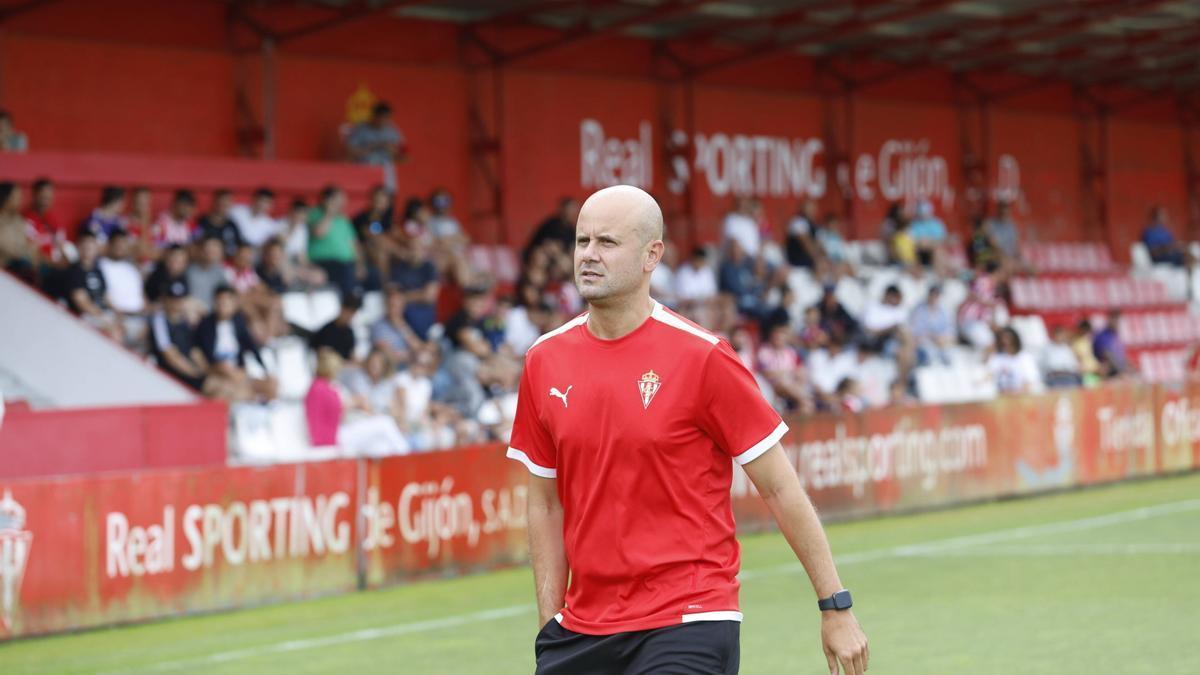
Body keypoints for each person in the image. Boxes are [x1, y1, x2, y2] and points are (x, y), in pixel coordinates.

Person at [510, 185, 868, 674]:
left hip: (690, 618)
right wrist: (548, 623)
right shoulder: (543, 361)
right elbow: (545, 503)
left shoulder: (703, 357)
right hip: (582, 631)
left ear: (651, 255)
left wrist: (835, 605)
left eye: (608, 243)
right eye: (582, 241)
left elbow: (781, 488)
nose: (589, 256)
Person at [306, 348, 410, 455]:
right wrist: (354, 403)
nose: (338, 370)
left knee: (381, 447)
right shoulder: (319, 387)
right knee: (384, 422)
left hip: (339, 431)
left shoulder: (327, 386)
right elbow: (331, 413)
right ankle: (408, 457)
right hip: (332, 437)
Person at [195, 286, 277, 402]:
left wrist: (265, 370)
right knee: (237, 392)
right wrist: (226, 370)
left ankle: (268, 414)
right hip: (218, 373)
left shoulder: (238, 322)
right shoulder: (206, 325)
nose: (223, 305)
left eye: (227, 301)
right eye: (220, 301)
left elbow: (251, 346)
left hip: (238, 372)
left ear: (234, 303)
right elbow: (206, 355)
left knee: (272, 384)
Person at [61, 231, 123, 341]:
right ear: (79, 247)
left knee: (126, 327)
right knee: (113, 332)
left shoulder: (98, 271)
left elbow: (106, 296)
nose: (88, 249)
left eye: (91, 245)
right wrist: (103, 317)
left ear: (96, 249)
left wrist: (117, 314)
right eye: (85, 245)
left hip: (103, 312)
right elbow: (82, 303)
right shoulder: (74, 271)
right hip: (85, 316)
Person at [148, 281, 207, 392]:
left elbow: (194, 350)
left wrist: (204, 371)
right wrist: (195, 374)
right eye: (173, 299)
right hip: (170, 375)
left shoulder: (185, 320)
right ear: (165, 299)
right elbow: (171, 356)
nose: (176, 303)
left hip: (189, 369)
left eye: (180, 299)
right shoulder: (160, 320)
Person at [308, 185, 363, 298]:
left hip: (346, 263)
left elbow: (354, 244)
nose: (342, 203)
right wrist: (329, 213)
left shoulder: (344, 220)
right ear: (327, 200)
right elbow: (319, 233)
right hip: (323, 262)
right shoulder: (314, 214)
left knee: (373, 275)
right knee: (345, 271)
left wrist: (360, 264)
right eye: (339, 200)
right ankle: (348, 302)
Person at [346, 101, 407, 191]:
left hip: (385, 170)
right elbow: (349, 152)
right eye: (381, 118)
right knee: (364, 194)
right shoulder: (361, 129)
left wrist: (392, 151)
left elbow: (405, 158)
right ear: (374, 116)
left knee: (387, 196)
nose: (384, 121)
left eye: (387, 118)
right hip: (364, 168)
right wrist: (373, 146)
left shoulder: (393, 131)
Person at [371, 285, 424, 367]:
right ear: (387, 305)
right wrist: (410, 356)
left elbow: (420, 350)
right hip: (389, 370)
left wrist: (401, 327)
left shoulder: (408, 323)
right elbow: (387, 355)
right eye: (393, 305)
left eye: (399, 305)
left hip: (409, 369)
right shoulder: (378, 326)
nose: (396, 309)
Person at [23, 178, 69, 266]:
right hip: (36, 266)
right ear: (34, 195)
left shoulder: (54, 220)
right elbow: (30, 251)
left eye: (49, 198)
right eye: (43, 198)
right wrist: (53, 264)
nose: (45, 202)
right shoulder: (24, 219)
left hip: (55, 266)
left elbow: (62, 245)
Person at [987, 327, 1043, 395]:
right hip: (1001, 394)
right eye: (1002, 339)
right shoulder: (996, 357)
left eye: (1009, 339)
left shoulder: (1024, 357)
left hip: (1021, 395)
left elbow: (1031, 380)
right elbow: (989, 375)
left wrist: (1017, 393)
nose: (1006, 342)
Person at [0, 182, 37, 284]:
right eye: (16, 198)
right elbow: (9, 249)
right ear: (5, 199)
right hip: (5, 269)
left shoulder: (19, 220)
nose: (20, 201)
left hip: (23, 264)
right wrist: (28, 251)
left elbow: (30, 245)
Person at [909, 284, 954, 365]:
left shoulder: (943, 310)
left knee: (949, 355)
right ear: (929, 294)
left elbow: (949, 329)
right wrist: (931, 336)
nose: (934, 297)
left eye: (936, 295)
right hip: (924, 342)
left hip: (940, 342)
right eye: (932, 294)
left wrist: (942, 338)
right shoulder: (919, 309)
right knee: (929, 354)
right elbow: (915, 330)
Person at [524, 197, 579, 262]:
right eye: (571, 209)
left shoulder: (571, 229)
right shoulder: (552, 224)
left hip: (557, 259)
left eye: (575, 209)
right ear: (563, 209)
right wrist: (561, 256)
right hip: (536, 255)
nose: (574, 212)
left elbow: (571, 248)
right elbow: (548, 245)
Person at [186, 234, 231, 310]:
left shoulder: (220, 271)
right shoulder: (190, 271)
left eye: (215, 249)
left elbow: (226, 295)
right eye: (208, 248)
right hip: (193, 312)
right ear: (201, 250)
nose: (211, 251)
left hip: (213, 315)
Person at [196, 189, 243, 258]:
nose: (225, 206)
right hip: (203, 262)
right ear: (215, 202)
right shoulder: (202, 222)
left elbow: (238, 248)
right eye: (222, 202)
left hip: (227, 265)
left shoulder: (232, 226)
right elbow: (194, 243)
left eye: (228, 203)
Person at [786, 199, 822, 269]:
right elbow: (807, 244)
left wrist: (824, 258)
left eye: (812, 207)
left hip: (811, 261)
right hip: (798, 261)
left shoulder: (815, 225)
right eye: (808, 207)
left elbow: (820, 245)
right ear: (802, 209)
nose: (811, 210)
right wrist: (819, 259)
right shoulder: (797, 222)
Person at [1093, 311, 1131, 378]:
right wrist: (1122, 371)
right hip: (1111, 372)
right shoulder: (1102, 336)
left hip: (1120, 369)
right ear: (1110, 320)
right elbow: (1108, 356)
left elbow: (1121, 356)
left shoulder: (1115, 336)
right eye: (1115, 321)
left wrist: (1131, 368)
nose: (1118, 324)